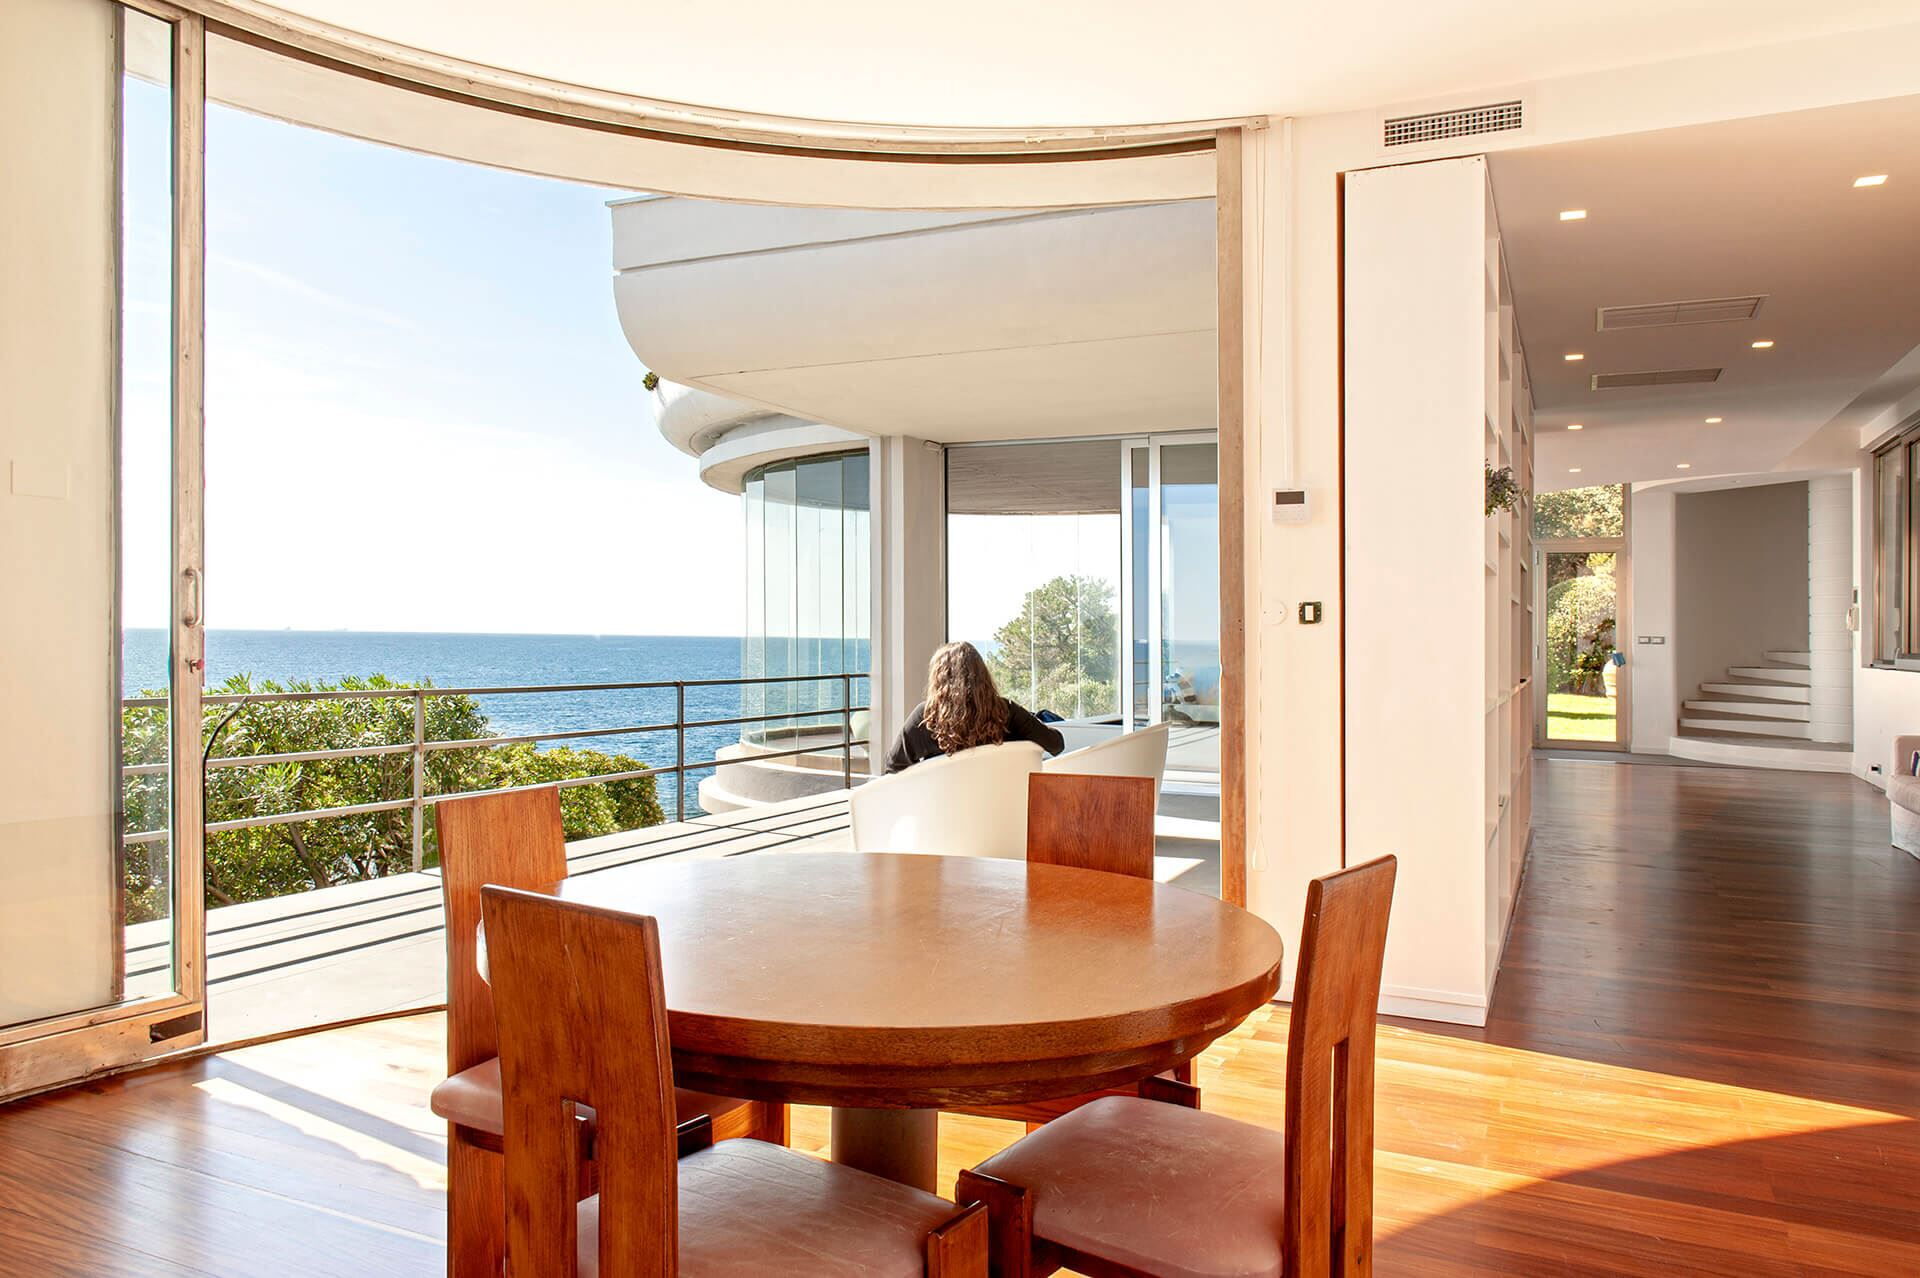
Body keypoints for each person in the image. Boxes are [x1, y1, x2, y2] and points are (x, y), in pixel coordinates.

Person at [883, 641, 1065, 773]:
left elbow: (893, 767)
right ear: (982, 675)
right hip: (1004, 807)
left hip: (940, 811)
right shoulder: (1007, 711)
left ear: (938, 678)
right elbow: (1056, 744)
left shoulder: (927, 716)